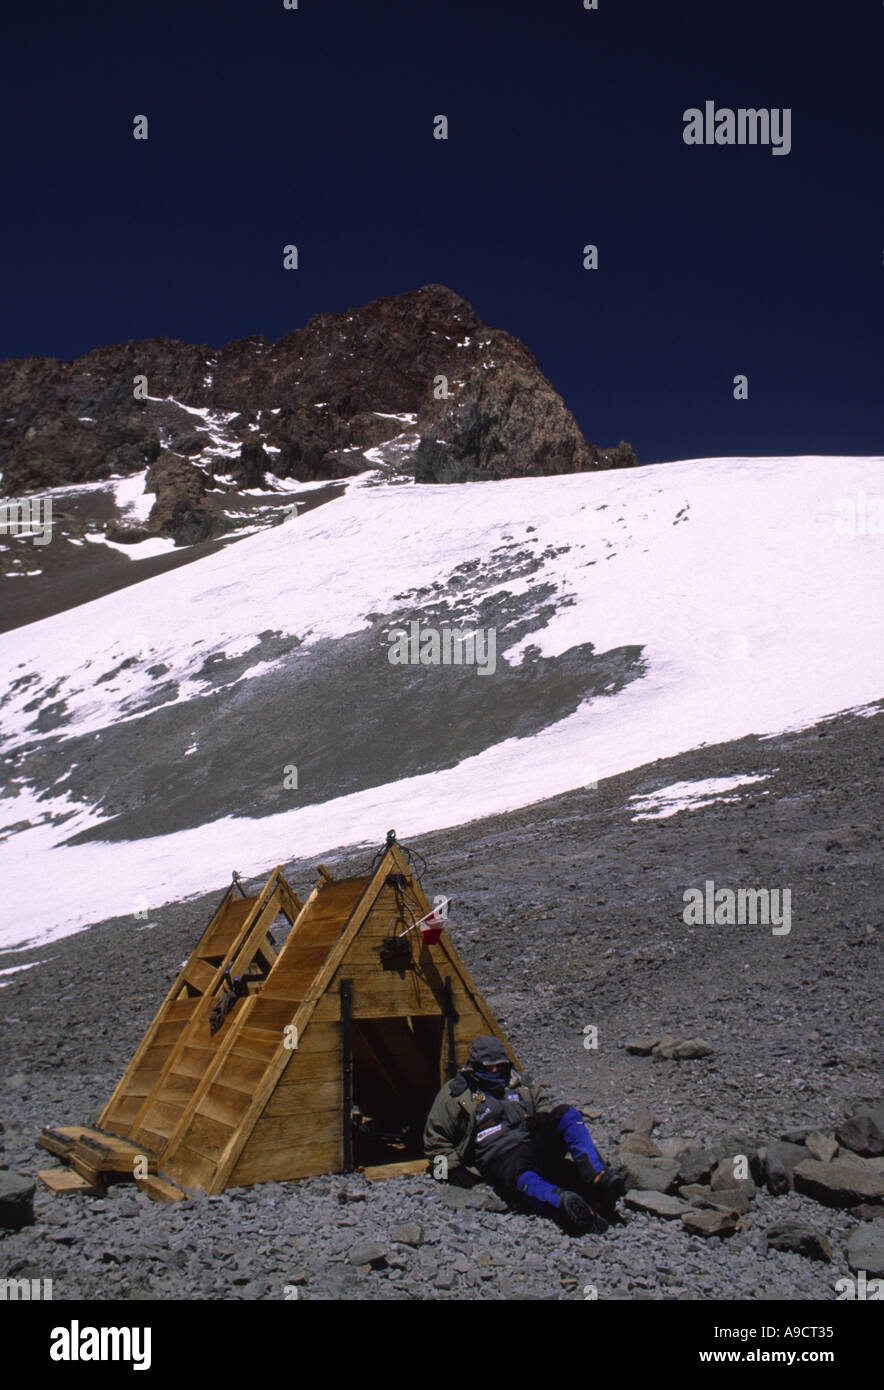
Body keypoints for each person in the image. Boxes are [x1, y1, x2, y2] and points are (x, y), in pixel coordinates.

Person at [423, 1036, 624, 1235]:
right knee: (523, 1176)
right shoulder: (456, 1093)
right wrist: (452, 1173)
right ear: (474, 1065)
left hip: (532, 1143)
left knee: (567, 1113)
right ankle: (562, 1202)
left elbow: (545, 1105)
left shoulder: (520, 1084)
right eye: (487, 1066)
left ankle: (599, 1178)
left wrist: (542, 1118)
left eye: (499, 1065)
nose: (494, 1070)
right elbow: (436, 1141)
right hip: (499, 1156)